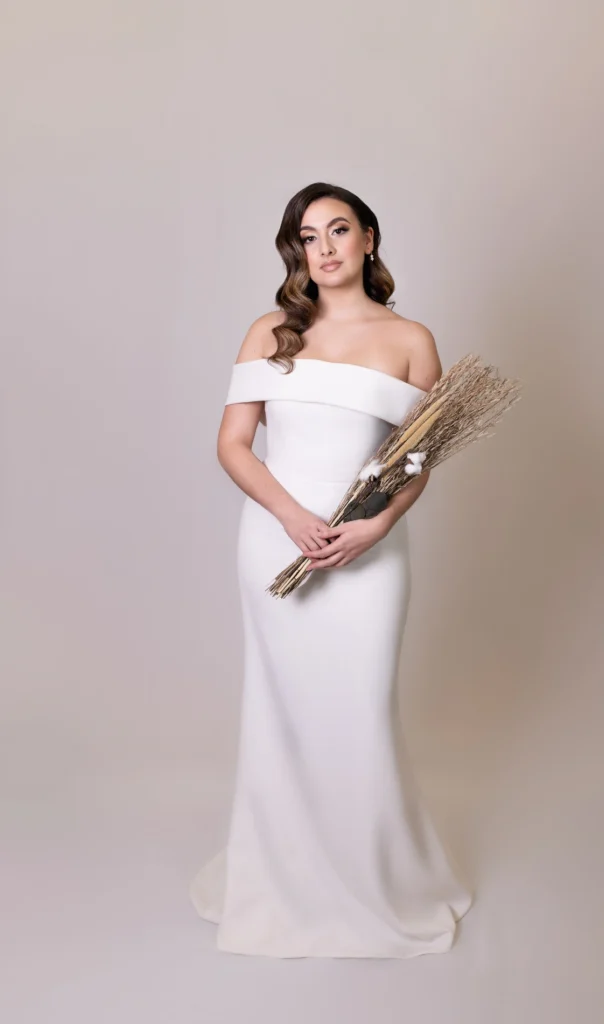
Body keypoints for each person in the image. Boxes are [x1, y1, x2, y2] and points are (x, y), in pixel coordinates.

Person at [189, 182, 473, 958]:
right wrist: (290, 517)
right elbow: (233, 445)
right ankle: (281, 881)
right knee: (283, 715)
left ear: (369, 238)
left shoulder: (411, 337)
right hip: (275, 541)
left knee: (359, 713)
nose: (325, 248)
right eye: (308, 237)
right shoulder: (270, 330)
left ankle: (374, 880)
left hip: (369, 551)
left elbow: (417, 457)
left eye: (339, 230)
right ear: (296, 252)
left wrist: (375, 522)